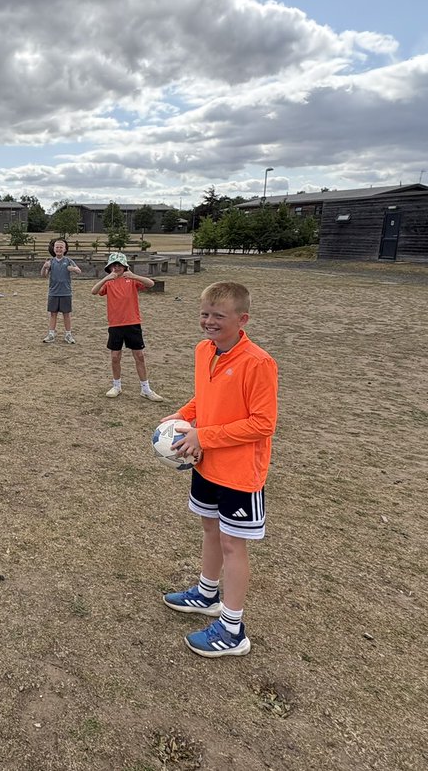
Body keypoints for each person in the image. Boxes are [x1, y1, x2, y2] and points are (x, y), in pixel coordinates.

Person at [161, 281, 278, 658]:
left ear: (242, 319)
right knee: (209, 527)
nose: (209, 322)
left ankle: (232, 630)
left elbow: (263, 424)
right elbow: (205, 396)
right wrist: (183, 416)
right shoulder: (203, 351)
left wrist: (204, 435)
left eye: (219, 316)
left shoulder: (258, 363)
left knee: (232, 543)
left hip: (240, 472)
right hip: (206, 464)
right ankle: (206, 593)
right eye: (204, 314)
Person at [89, 252, 164, 401]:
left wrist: (134, 276)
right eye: (113, 265)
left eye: (119, 265)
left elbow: (150, 284)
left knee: (139, 356)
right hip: (115, 324)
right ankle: (116, 385)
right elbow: (94, 291)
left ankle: (145, 388)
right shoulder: (108, 282)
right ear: (109, 267)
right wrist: (106, 278)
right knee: (115, 356)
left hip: (133, 323)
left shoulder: (132, 280)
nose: (116, 268)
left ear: (125, 266)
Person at [41, 237, 82, 344]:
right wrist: (45, 267)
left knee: (66, 314)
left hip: (66, 292)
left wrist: (73, 269)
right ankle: (51, 334)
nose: (59, 249)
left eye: (61, 247)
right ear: (53, 249)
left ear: (65, 249)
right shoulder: (51, 261)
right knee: (53, 314)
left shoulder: (68, 261)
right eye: (57, 247)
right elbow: (43, 275)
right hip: (53, 293)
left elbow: (79, 271)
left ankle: (68, 334)